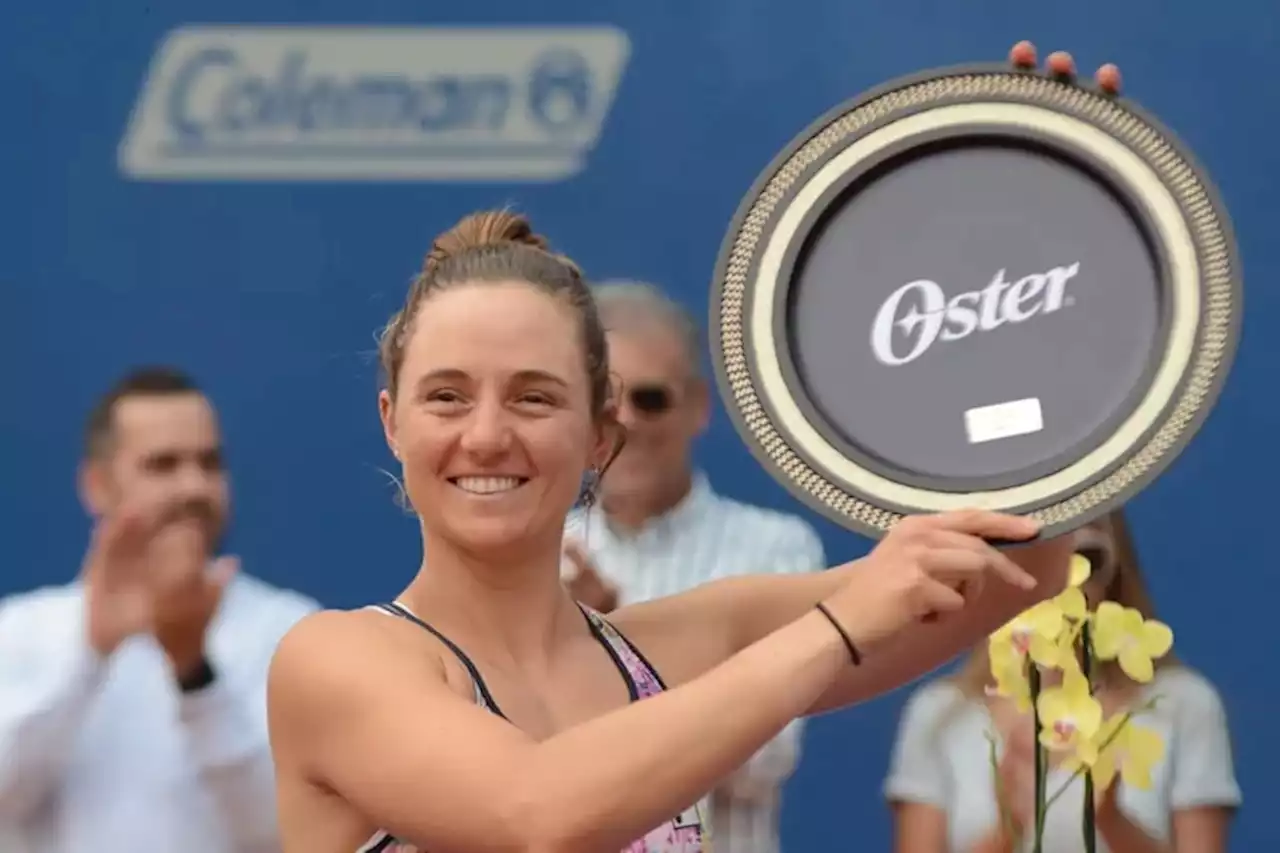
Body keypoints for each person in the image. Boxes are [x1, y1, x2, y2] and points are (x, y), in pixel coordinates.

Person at [266, 45, 1118, 853]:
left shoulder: (681, 644)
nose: (486, 434)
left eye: (534, 396)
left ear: (601, 435)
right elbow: (538, 812)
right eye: (446, 395)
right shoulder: (339, 661)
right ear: (392, 421)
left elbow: (1022, 567)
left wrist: (1045, 217)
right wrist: (836, 626)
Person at [0, 367, 320, 853]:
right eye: (162, 465)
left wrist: (195, 673)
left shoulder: (289, 631)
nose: (193, 487)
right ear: (96, 486)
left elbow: (289, 829)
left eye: (209, 463)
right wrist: (90, 656)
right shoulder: (20, 631)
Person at [561, 280, 823, 852]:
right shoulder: (536, 555)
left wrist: (609, 644)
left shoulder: (773, 550)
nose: (625, 420)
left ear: (698, 406)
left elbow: (762, 760)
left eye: (650, 398)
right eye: (605, 398)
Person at [884, 510, 1241, 853]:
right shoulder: (942, 714)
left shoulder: (1181, 705)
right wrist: (1010, 827)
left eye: (1086, 556)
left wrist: (1112, 820)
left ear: (1116, 568)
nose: (1064, 582)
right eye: (1034, 558)